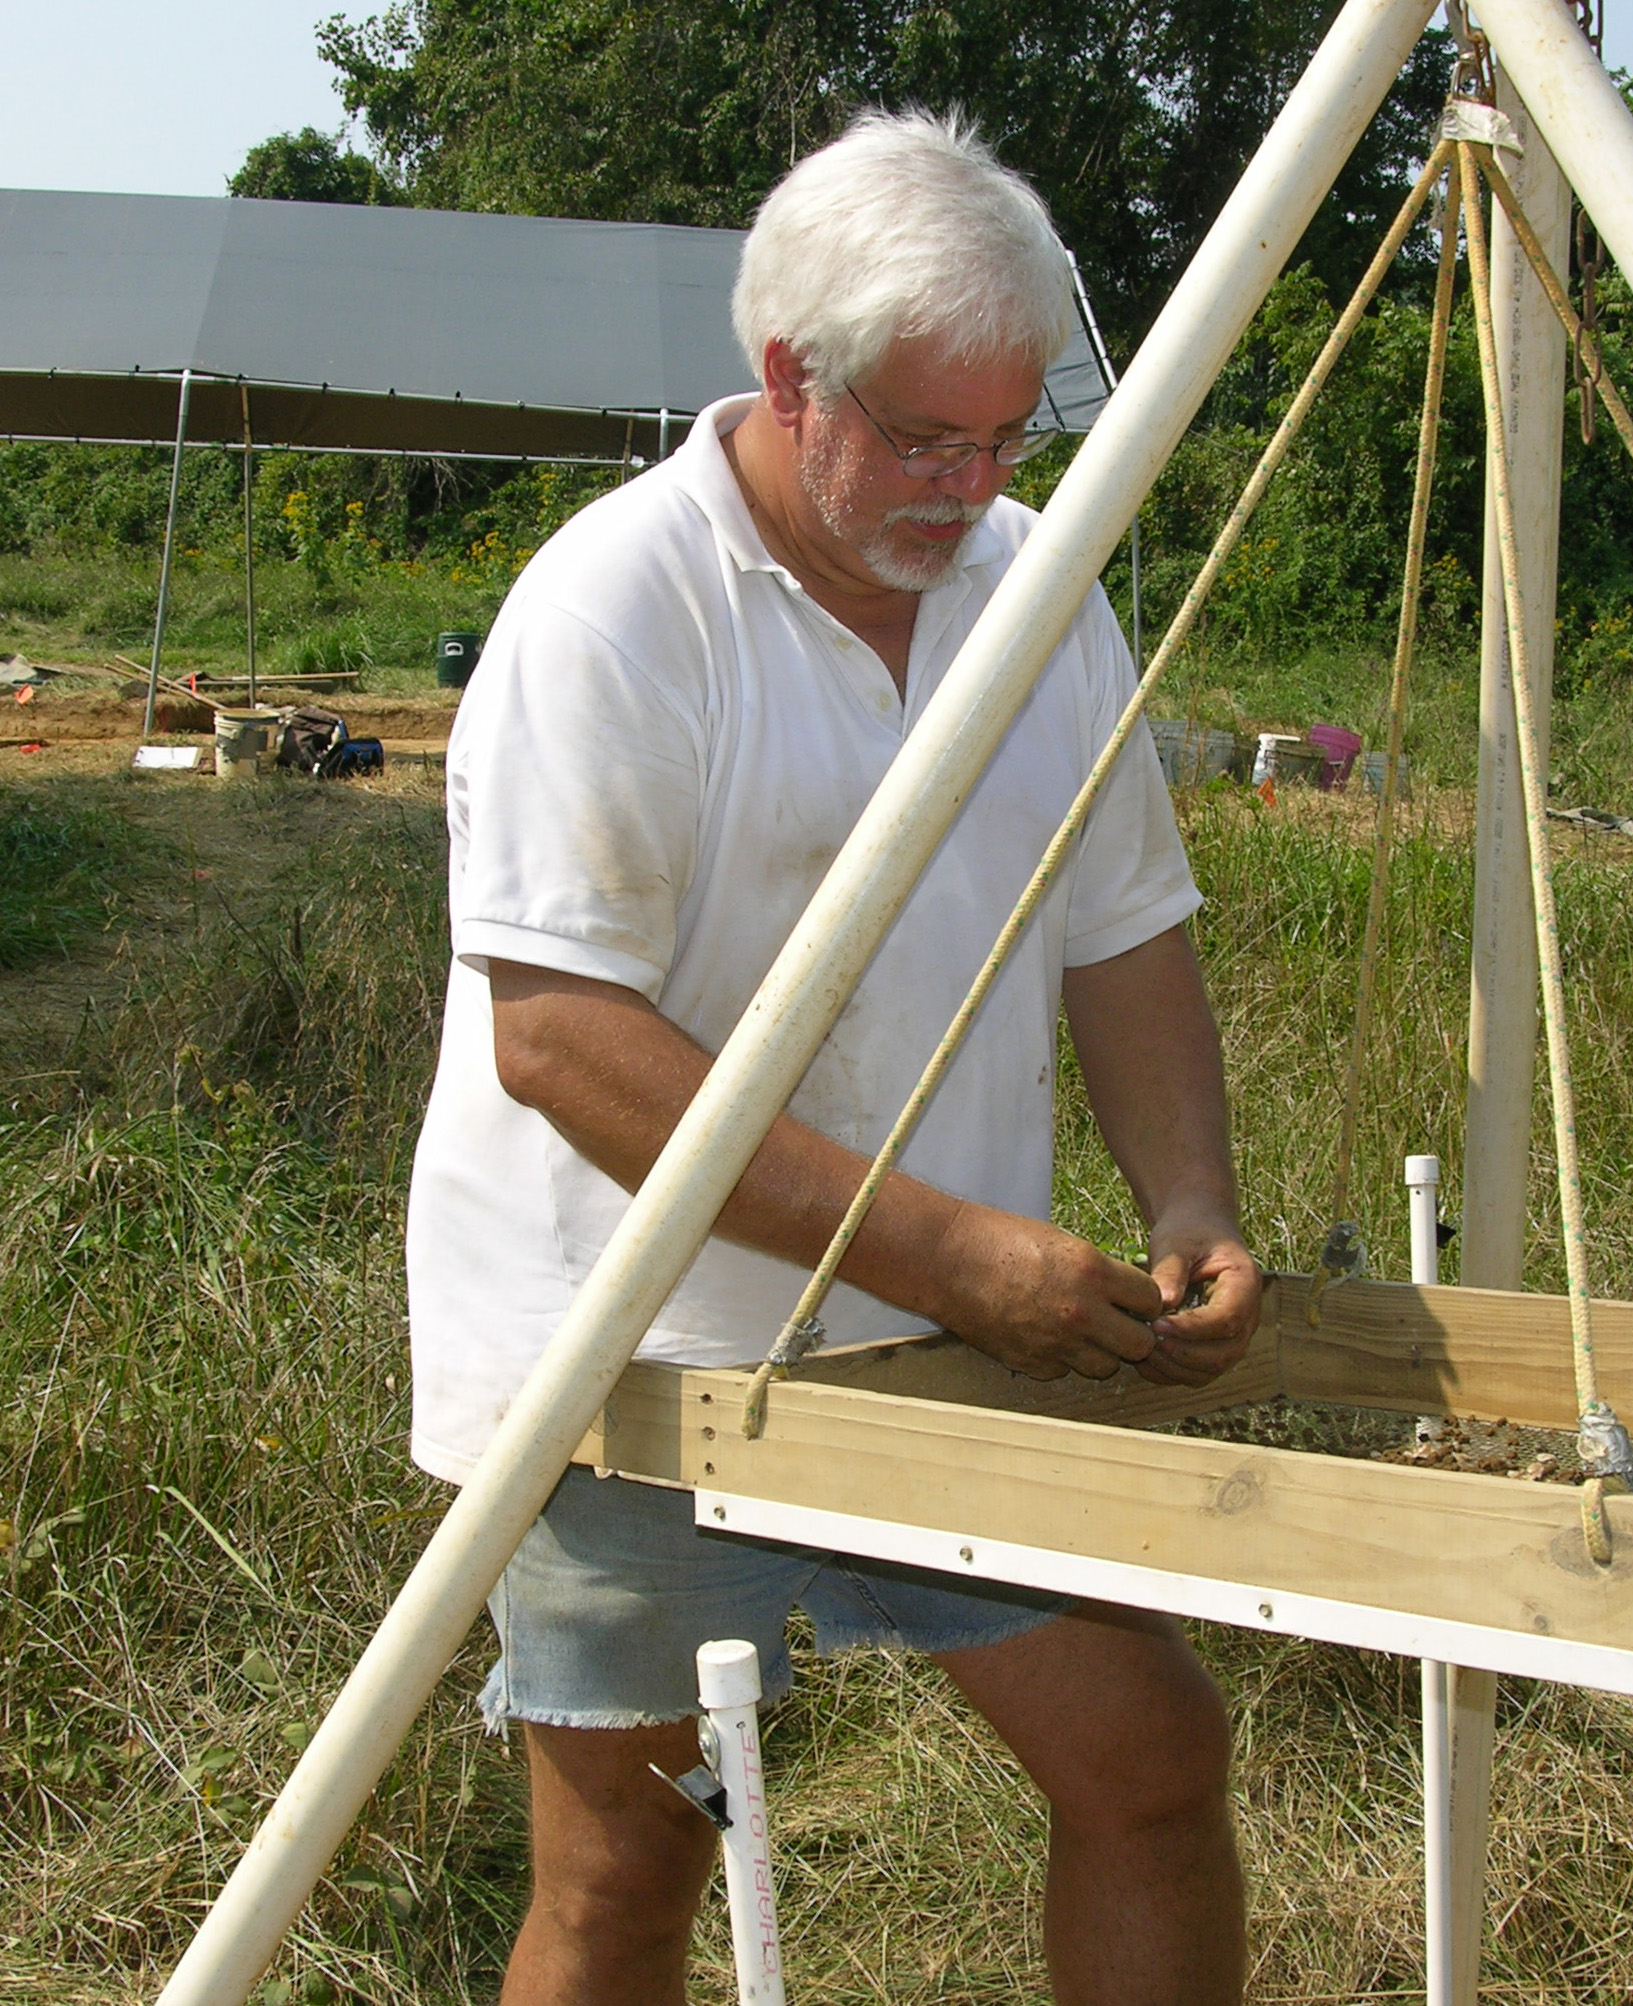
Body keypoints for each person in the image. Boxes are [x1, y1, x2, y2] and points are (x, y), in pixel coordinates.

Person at [406, 109, 1261, 2006]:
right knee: (628, 1862)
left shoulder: (1037, 593)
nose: (967, 485)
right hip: (640, 1348)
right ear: (790, 376)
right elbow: (559, 1041)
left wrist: (1189, 1196)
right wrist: (951, 1250)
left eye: (1005, 433)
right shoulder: (620, 606)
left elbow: (1120, 923)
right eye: (921, 435)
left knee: (1145, 1762)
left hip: (946, 1348)